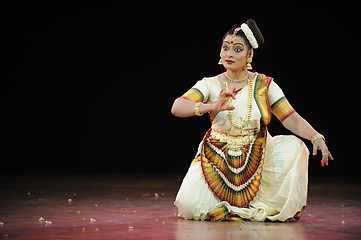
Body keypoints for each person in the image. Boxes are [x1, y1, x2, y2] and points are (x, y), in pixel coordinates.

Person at [170, 18, 334, 222]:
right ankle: (237, 206)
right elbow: (177, 107)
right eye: (225, 48)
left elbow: (290, 118)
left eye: (237, 49)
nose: (229, 53)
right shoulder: (210, 84)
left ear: (249, 55)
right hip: (216, 153)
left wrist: (316, 137)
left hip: (256, 152)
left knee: (294, 147)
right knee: (191, 207)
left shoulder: (264, 84)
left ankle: (247, 205)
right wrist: (211, 106)